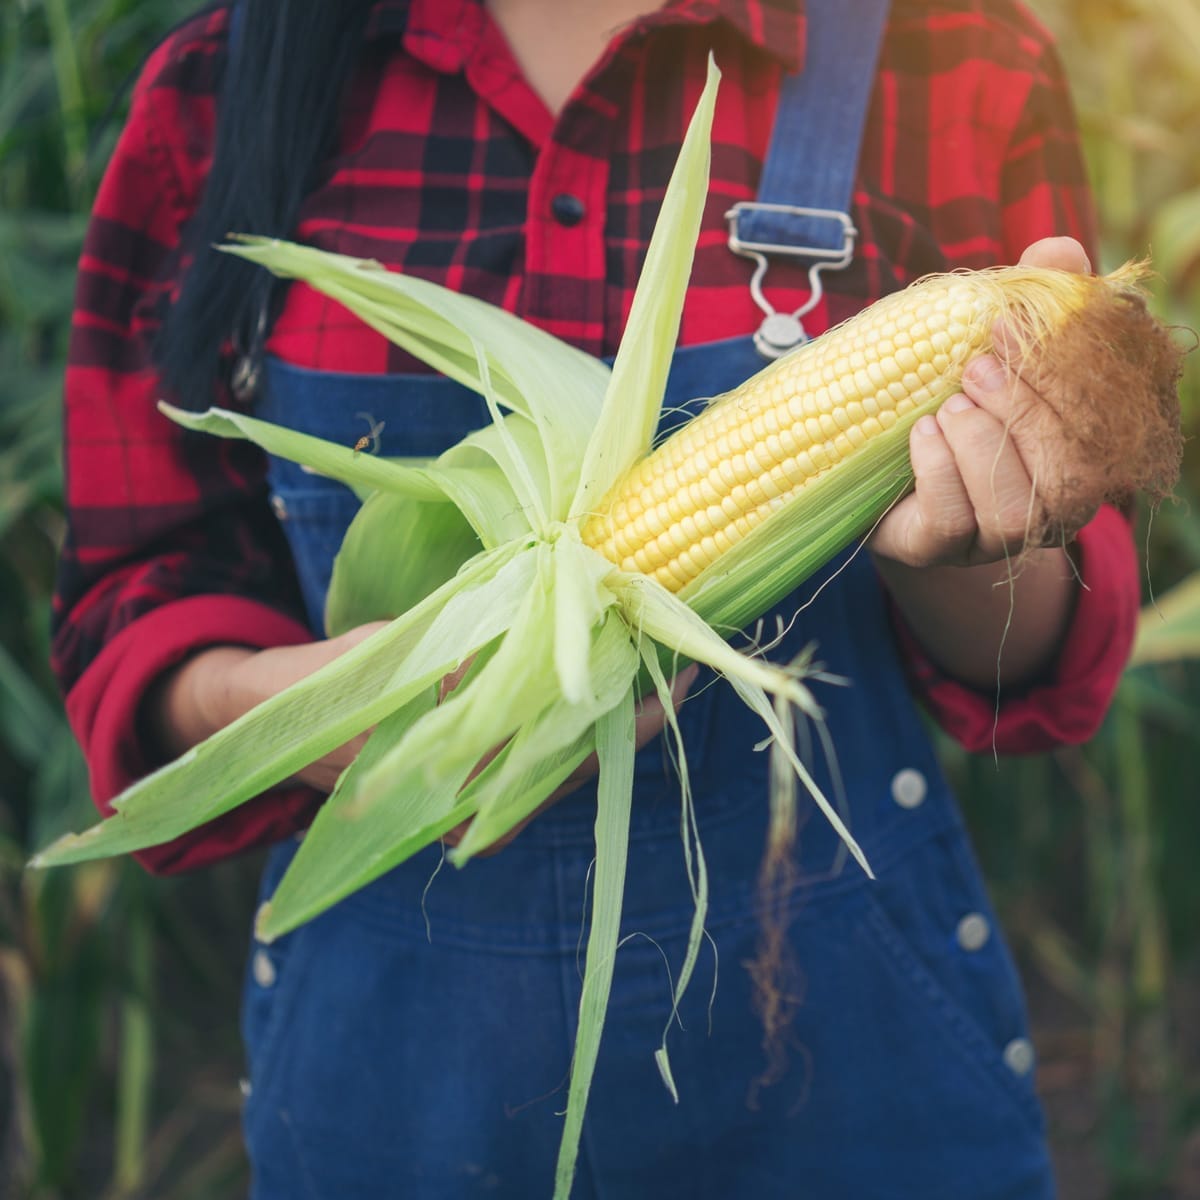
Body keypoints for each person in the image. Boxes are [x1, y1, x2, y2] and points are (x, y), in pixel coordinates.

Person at [53, 0, 1142, 1196]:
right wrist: (291, 708)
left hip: (851, 1074)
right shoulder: (216, 90)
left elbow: (1046, 668)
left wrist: (980, 543)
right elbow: (133, 599)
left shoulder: (956, 58)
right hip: (398, 1102)